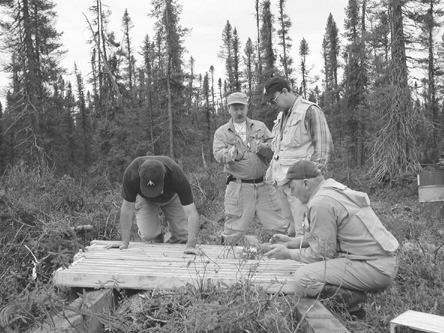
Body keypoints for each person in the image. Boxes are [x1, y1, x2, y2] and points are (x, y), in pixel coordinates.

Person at [265, 160, 399, 316]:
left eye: (292, 187)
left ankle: (355, 302)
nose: (291, 193)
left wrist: (288, 254)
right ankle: (357, 291)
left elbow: (321, 254)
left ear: (306, 183)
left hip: (373, 267)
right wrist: (291, 243)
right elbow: (323, 235)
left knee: (303, 277)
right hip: (381, 263)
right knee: (312, 270)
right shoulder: (330, 190)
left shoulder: (321, 203)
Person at [213, 92, 290, 243]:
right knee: (233, 230)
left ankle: (288, 255)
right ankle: (225, 261)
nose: (239, 112)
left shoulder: (260, 126)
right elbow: (218, 154)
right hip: (238, 187)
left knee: (279, 225)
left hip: (265, 185)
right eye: (235, 108)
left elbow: (276, 147)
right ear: (229, 109)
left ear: (247, 108)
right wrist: (231, 154)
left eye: (241, 108)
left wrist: (262, 147)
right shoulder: (221, 132)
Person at [262, 77, 333, 236]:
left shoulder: (310, 111)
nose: (273, 105)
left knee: (305, 232)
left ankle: (308, 257)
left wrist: (312, 184)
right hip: (280, 183)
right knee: (291, 230)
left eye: (274, 100)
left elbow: (322, 150)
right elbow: (280, 148)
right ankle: (291, 256)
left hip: (301, 186)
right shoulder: (281, 116)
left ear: (285, 91)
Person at [119, 155, 200, 254]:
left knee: (183, 235)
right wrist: (124, 242)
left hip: (172, 197)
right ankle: (157, 240)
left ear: (164, 177)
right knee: (149, 235)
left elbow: (192, 213)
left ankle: (172, 249)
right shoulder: (132, 174)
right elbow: (127, 208)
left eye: (156, 189)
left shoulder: (176, 174)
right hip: (144, 199)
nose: (153, 193)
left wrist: (191, 246)